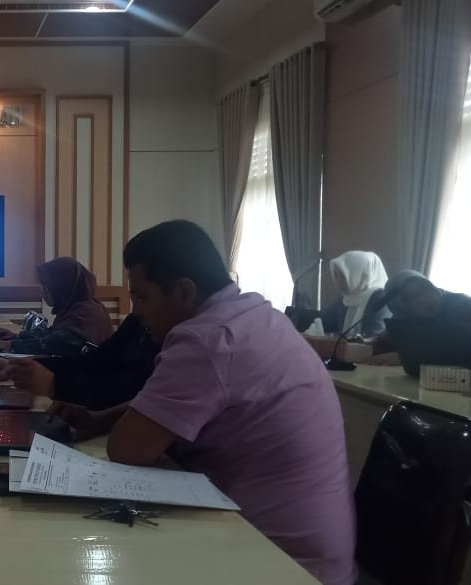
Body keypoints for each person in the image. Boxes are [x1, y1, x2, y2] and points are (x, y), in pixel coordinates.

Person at [49, 220, 355, 585]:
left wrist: (113, 426)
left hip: (276, 562)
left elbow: (128, 449)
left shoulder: (207, 339)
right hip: (314, 555)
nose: (137, 313)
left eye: (143, 297)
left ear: (183, 291)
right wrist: (102, 419)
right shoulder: (254, 314)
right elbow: (170, 410)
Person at [0, 312, 159, 410]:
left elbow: (131, 390)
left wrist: (54, 384)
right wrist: (16, 366)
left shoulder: (85, 313)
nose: (136, 308)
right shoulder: (136, 322)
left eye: (142, 297)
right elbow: (89, 362)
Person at [0, 257, 114, 356]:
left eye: (47, 286)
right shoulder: (81, 307)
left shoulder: (85, 313)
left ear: (61, 287)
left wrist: (9, 345)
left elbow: (55, 344)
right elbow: (53, 333)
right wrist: (16, 337)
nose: (43, 292)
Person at [366, 270, 471, 365]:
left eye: (426, 289)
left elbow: (462, 350)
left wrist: (407, 358)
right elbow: (384, 340)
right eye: (410, 298)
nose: (424, 299)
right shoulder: (406, 315)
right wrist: (364, 343)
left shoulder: (462, 306)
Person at [320, 251, 390, 337]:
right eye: (336, 275)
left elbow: (374, 335)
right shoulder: (347, 298)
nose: (338, 282)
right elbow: (322, 321)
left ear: (363, 274)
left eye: (343, 276)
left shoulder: (380, 298)